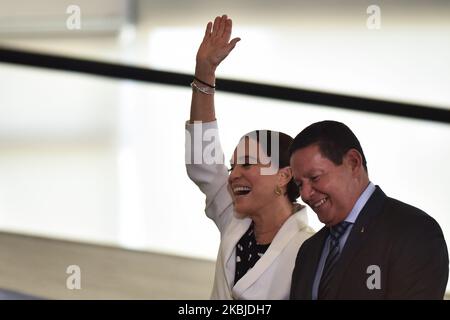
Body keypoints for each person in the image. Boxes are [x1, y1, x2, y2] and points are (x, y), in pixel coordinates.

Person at [185, 15, 314, 299]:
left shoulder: (309, 248)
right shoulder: (234, 218)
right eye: (232, 166)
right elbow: (203, 162)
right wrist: (204, 72)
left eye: (246, 164)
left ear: (283, 175)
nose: (233, 175)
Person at [289, 120, 449, 299]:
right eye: (299, 184)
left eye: (315, 177)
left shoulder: (415, 232)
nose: (305, 194)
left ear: (353, 162)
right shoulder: (308, 251)